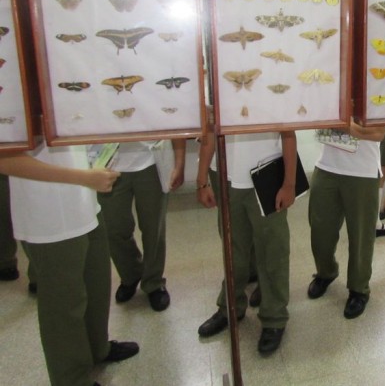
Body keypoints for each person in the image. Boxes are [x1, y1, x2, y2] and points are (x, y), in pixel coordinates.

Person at [0, 143, 139, 386]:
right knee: (64, 304)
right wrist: (83, 177)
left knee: (96, 285)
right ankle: (71, 379)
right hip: (49, 215)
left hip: (84, 202)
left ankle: (97, 349)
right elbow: (5, 159)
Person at [196, 130, 297, 355]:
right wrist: (202, 180)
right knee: (232, 247)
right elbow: (209, 132)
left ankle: (274, 317)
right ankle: (230, 307)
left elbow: (288, 133)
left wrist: (289, 183)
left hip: (267, 171)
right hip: (225, 174)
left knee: (273, 249)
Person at [307, 121, 385, 319]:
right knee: (320, 231)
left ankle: (359, 289)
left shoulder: (374, 99)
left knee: (361, 237)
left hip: (362, 171)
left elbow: (378, 133)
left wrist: (344, 125)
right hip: (326, 166)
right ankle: (326, 272)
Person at [95, 140, 185, 311]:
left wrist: (179, 163)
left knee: (154, 229)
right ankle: (131, 273)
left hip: (151, 162)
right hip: (109, 164)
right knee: (114, 228)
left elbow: (175, 126)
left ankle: (153, 281)